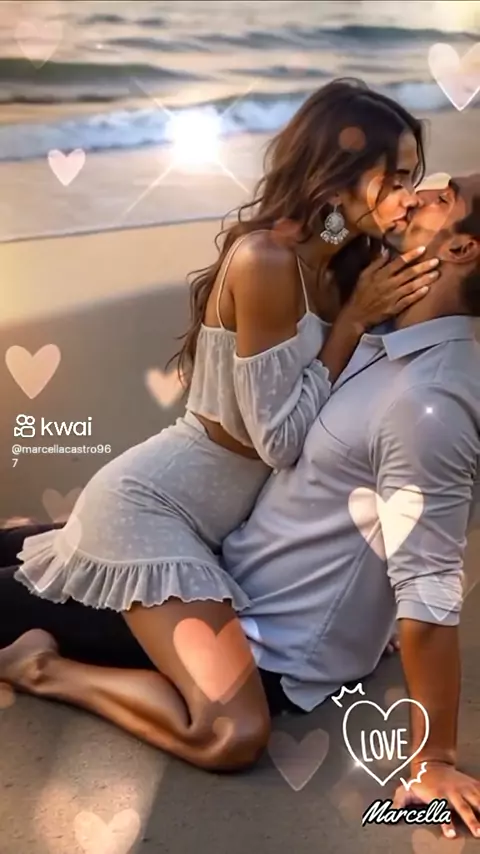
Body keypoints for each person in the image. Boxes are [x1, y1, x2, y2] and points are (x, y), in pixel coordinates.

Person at [0, 175, 479, 839]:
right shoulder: (384, 328)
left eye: (443, 198)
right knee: (37, 550)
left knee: (12, 600)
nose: (418, 193)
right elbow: (319, 239)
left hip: (254, 635)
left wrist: (435, 759)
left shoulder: (429, 403)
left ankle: (40, 669)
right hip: (213, 556)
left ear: (461, 250)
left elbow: (429, 586)